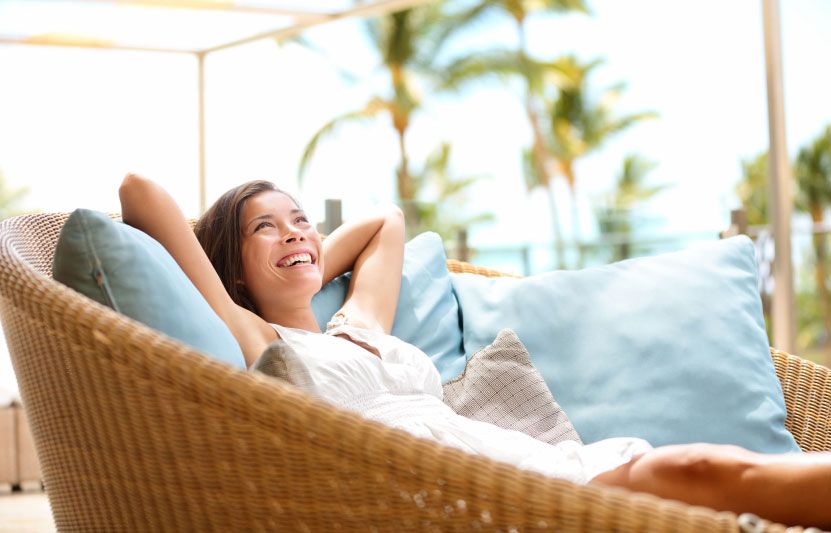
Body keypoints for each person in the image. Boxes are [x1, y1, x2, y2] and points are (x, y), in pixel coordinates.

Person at [119, 173, 831, 528]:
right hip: (454, 494)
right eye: (265, 228)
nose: (295, 232)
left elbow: (385, 221)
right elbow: (138, 192)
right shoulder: (258, 340)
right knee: (699, 470)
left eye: (301, 219)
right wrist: (252, 280)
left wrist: (301, 257)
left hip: (519, 463)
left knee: (701, 475)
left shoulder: (358, 325)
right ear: (232, 269)